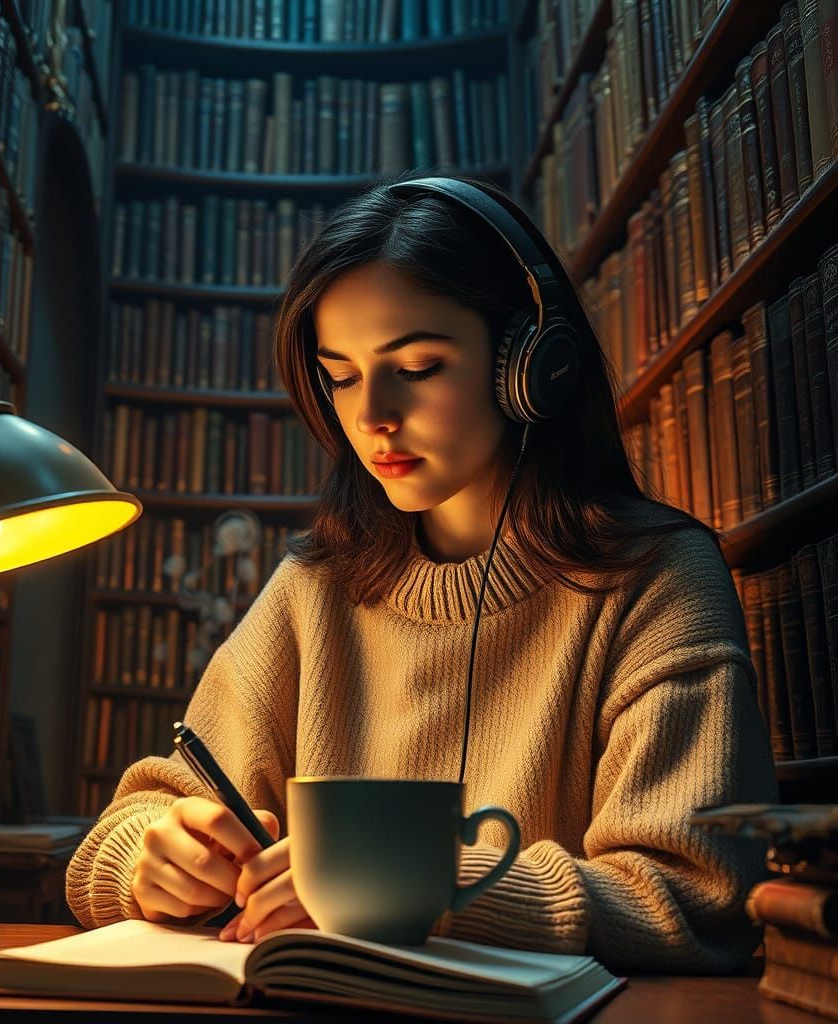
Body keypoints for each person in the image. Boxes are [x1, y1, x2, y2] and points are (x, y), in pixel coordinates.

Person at [66, 173, 777, 973]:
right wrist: (152, 859)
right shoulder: (313, 589)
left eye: (418, 365)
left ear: (531, 365)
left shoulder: (657, 578)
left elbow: (697, 899)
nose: (371, 415)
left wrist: (419, 884)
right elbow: (115, 841)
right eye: (341, 376)